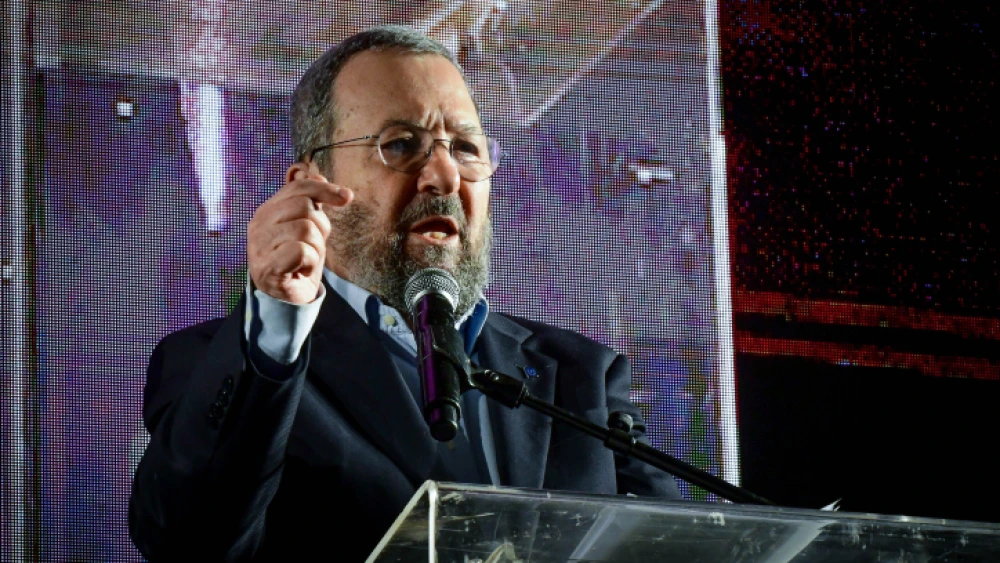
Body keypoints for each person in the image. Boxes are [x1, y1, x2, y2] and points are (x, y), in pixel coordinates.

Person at [128, 25, 680, 562]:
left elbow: (679, 544)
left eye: (465, 147)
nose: (443, 175)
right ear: (311, 185)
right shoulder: (228, 362)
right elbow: (187, 542)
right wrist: (274, 332)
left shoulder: (581, 373)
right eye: (401, 144)